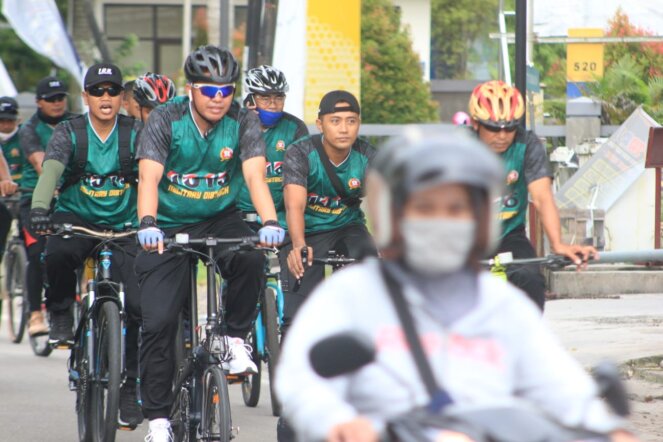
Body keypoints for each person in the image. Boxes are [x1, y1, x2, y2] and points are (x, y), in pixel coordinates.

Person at [275, 130, 637, 442]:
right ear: (394, 216)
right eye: (425, 207)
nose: (442, 221)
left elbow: (562, 388)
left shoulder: (503, 307)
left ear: (480, 219)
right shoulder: (351, 295)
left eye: (457, 209)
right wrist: (338, 421)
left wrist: (605, 427)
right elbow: (302, 380)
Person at [134, 45, 284, 442]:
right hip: (166, 224)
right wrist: (147, 223)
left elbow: (255, 176)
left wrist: (269, 220)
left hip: (219, 215)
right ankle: (159, 421)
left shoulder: (243, 120)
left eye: (226, 90)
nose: (218, 99)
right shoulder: (166, 119)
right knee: (159, 323)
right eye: (209, 90)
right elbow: (149, 178)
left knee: (252, 258)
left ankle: (234, 337)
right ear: (191, 89)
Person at [29, 63, 144, 429]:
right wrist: (39, 209)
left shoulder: (136, 132)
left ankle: (130, 385)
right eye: (98, 91)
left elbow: (154, 174)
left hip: (125, 227)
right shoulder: (70, 131)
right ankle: (61, 310)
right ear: (86, 97)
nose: (106, 98)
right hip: (77, 220)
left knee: (141, 306)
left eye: (113, 91)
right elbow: (50, 171)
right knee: (58, 253)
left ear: (122, 98)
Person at [468, 80, 595, 310]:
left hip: (507, 234)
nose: (503, 135)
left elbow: (542, 197)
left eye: (510, 127)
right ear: (476, 124)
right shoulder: (458, 146)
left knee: (531, 282)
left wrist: (558, 244)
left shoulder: (527, 145)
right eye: (494, 128)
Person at [281, 90, 376, 333]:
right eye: (335, 121)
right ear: (320, 124)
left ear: (359, 124)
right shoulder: (300, 153)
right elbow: (295, 205)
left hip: (347, 227)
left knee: (368, 271)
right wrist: (298, 244)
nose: (344, 129)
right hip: (306, 229)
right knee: (297, 316)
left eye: (351, 121)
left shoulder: (368, 156)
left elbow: (385, 203)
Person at [19, 77, 76, 336]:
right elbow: (41, 161)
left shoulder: (75, 123)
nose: (57, 103)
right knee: (37, 253)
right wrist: (51, 184)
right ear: (39, 102)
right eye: (51, 99)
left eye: (60, 97)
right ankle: (35, 315)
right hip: (35, 197)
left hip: (70, 196)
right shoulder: (29, 129)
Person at [238, 65, 309, 230]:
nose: (273, 104)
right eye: (265, 98)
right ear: (250, 100)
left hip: (280, 216)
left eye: (279, 97)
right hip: (237, 216)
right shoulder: (233, 125)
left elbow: (302, 178)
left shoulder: (295, 127)